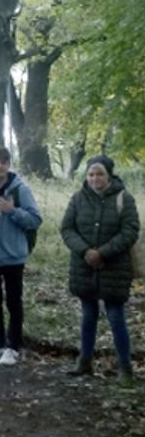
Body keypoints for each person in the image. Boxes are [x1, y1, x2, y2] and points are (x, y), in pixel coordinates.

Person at [60, 155, 139, 383]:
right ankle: (84, 362)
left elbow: (130, 230)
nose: (95, 178)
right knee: (88, 315)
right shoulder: (77, 199)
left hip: (114, 267)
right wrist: (86, 251)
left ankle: (125, 368)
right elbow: (67, 229)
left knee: (115, 316)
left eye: (100, 174)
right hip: (83, 266)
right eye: (91, 174)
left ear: (110, 175)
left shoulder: (124, 198)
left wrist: (102, 253)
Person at [0, 145, 41, 367]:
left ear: (9, 164)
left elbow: (35, 220)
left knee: (14, 302)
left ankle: (13, 347)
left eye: (3, 162)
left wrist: (12, 211)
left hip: (12, 257)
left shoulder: (19, 190)